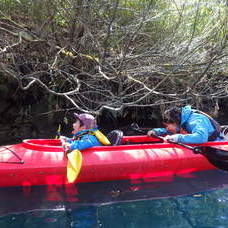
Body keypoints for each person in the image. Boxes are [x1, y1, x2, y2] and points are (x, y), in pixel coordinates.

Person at [147, 105, 223, 144]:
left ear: (175, 121)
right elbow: (172, 130)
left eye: (167, 125)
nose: (167, 128)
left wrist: (178, 138)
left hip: (216, 142)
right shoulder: (182, 120)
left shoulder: (196, 120)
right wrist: (156, 131)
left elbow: (201, 138)